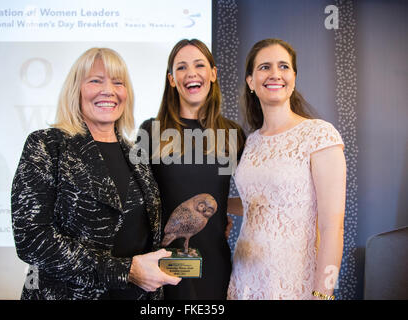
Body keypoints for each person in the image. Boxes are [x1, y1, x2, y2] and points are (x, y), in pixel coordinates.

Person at [11, 47, 180, 300]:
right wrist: (126, 271)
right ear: (76, 89)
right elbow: (31, 238)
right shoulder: (47, 145)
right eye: (95, 81)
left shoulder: (137, 155)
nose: (108, 90)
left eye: (118, 82)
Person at [227, 39, 346, 300]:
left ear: (293, 77)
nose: (275, 74)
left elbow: (332, 228)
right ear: (250, 81)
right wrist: (215, 205)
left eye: (283, 66)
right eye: (265, 67)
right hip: (245, 279)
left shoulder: (319, 135)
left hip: (294, 283)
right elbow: (259, 203)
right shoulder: (251, 142)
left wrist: (324, 293)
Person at [138, 39, 245, 300]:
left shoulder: (232, 133)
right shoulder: (151, 131)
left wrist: (221, 212)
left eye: (199, 65)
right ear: (172, 79)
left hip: (214, 264)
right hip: (161, 266)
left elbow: (251, 198)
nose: (192, 73)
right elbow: (136, 200)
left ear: (213, 74)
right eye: (182, 67)